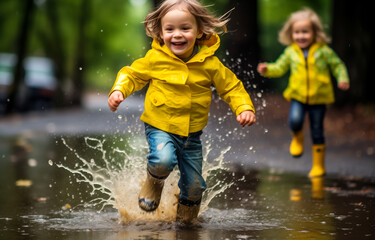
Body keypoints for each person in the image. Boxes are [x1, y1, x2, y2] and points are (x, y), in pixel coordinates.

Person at [108, 0, 256, 223]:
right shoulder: (155, 59)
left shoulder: (210, 64)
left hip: (192, 136)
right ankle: (153, 184)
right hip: (160, 127)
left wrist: (243, 107)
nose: (177, 35)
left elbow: (232, 87)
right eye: (170, 29)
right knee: (162, 160)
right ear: (160, 32)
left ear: (199, 32)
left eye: (185, 28)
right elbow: (131, 75)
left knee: (195, 185)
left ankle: (187, 224)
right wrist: (119, 90)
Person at [257, 8, 349, 178]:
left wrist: (342, 78)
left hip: (319, 98)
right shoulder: (290, 52)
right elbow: (279, 67)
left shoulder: (323, 51)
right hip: (298, 96)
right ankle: (297, 137)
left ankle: (318, 166)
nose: (301, 36)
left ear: (315, 32)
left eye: (305, 32)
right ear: (291, 34)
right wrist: (267, 69)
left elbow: (338, 65)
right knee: (295, 120)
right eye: (297, 32)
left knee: (317, 130)